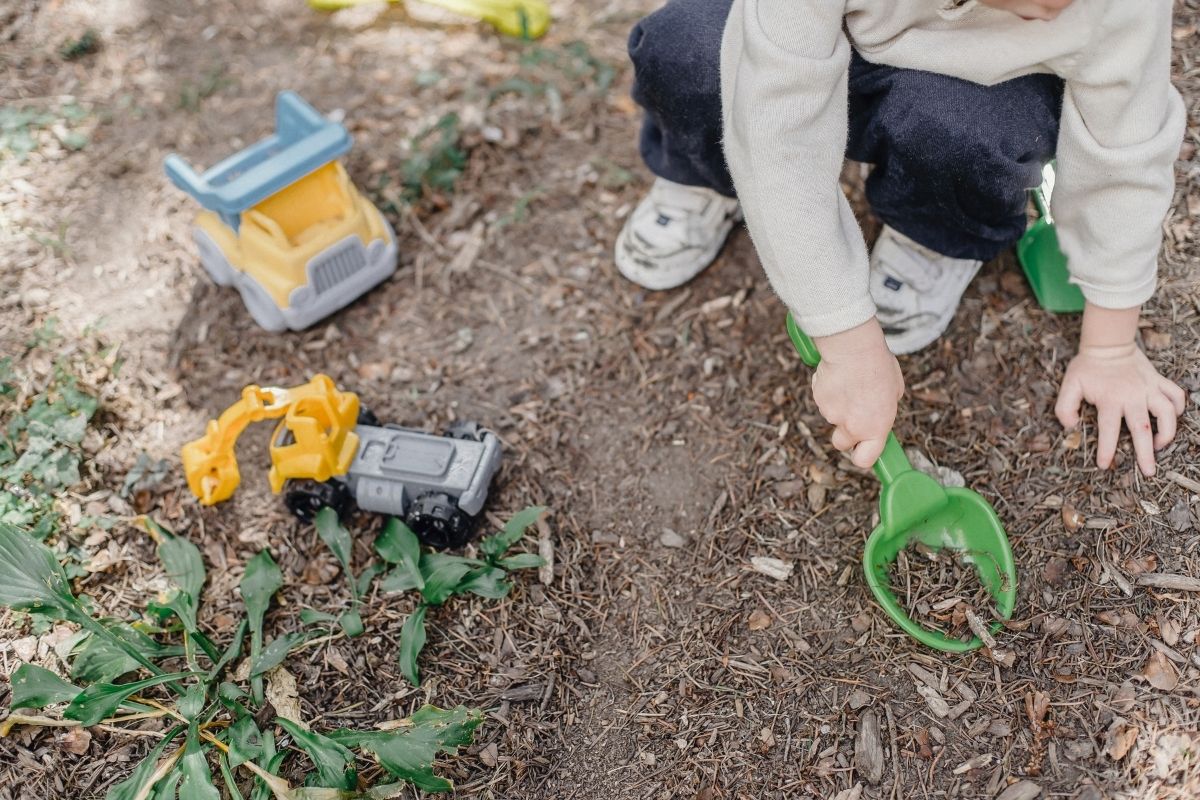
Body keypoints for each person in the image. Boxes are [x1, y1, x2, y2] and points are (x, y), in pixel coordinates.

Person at [615, 0, 1187, 476]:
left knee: (972, 132)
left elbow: (1125, 158)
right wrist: (846, 337)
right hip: (807, 34)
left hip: (974, 87)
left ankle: (935, 224)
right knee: (689, 50)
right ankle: (704, 168)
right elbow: (777, 132)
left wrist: (1110, 348)